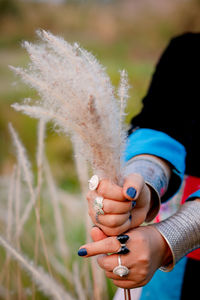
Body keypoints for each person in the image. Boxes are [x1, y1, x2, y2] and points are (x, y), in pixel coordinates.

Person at [77, 32, 200, 300]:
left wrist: (170, 238)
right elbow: (160, 126)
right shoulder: (188, 51)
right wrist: (140, 185)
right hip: (166, 273)